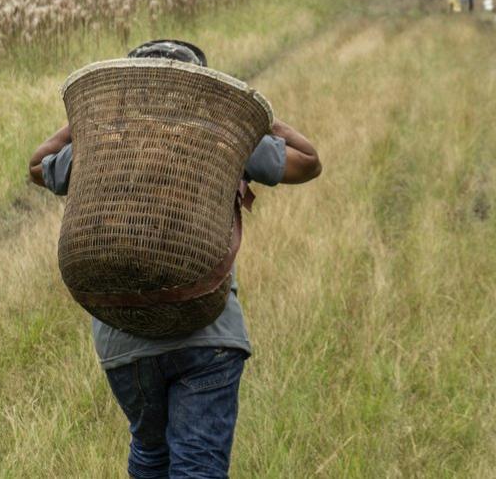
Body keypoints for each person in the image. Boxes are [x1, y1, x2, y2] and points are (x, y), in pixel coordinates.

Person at [29, 39, 322, 478]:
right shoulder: (218, 135)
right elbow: (309, 161)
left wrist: (82, 124)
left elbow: (38, 165)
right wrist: (257, 120)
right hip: (207, 332)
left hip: (122, 340)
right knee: (197, 466)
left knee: (150, 455)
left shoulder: (107, 139)